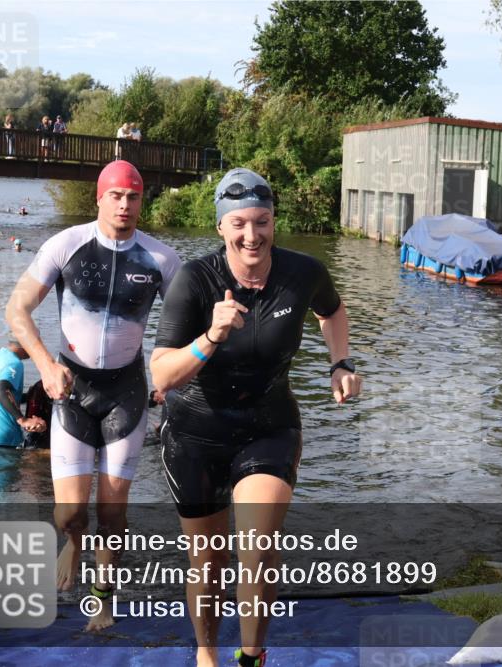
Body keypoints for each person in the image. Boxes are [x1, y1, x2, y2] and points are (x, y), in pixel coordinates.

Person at [150, 168, 361, 667]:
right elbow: (161, 375)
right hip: (194, 434)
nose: (252, 235)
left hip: (267, 426)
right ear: (221, 227)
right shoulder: (195, 280)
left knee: (258, 547)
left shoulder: (303, 273)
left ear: (274, 222)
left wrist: (341, 362)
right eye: (239, 223)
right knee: (207, 561)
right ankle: (206, 654)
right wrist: (210, 337)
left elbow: (332, 312)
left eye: (262, 222)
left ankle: (251, 657)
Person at [5, 160, 180, 632]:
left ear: (142, 202)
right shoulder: (66, 245)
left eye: (133, 197)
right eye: (116, 196)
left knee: (112, 511)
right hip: (72, 389)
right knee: (70, 513)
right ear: (99, 198)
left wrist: (171, 372)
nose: (125, 205)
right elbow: (17, 308)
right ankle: (73, 542)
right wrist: (45, 365)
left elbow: (188, 321)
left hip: (127, 391)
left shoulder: (162, 259)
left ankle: (103, 596)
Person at [0, 337, 47, 449]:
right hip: (1, 441)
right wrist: (24, 420)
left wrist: (28, 396)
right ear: (25, 344)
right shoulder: (14, 363)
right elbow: (1, 391)